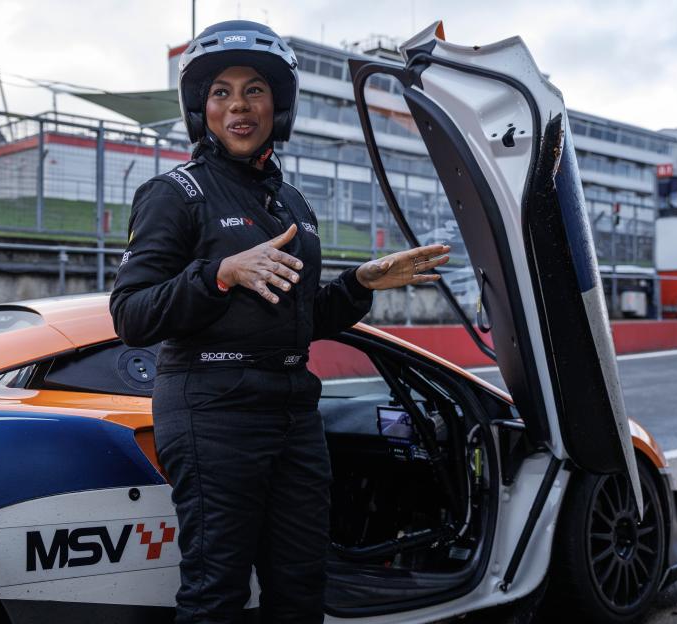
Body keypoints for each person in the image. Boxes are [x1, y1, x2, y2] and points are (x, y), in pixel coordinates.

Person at [109, 20, 450, 624]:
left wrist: (359, 283)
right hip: (211, 408)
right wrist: (219, 274)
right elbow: (132, 315)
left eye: (254, 90)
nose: (238, 106)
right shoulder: (174, 193)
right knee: (217, 594)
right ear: (201, 107)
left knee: (301, 587)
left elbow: (298, 317)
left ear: (278, 105)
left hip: (293, 409)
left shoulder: (294, 203)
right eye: (221, 92)